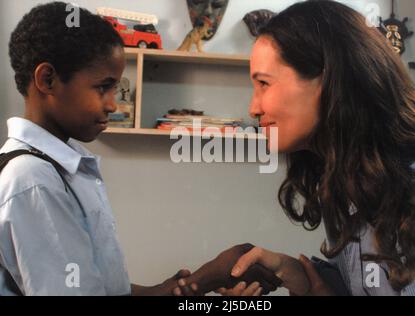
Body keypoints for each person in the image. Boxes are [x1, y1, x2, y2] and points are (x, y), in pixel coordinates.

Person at [0, 2, 280, 296]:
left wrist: (191, 284)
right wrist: (205, 280)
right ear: (47, 80)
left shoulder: (59, 167)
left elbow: (105, 290)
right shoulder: (33, 180)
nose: (112, 104)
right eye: (103, 87)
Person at [178, 0, 415, 296]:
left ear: (328, 80)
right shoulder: (352, 183)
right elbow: (369, 282)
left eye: (264, 84)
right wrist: (291, 272)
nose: (253, 108)